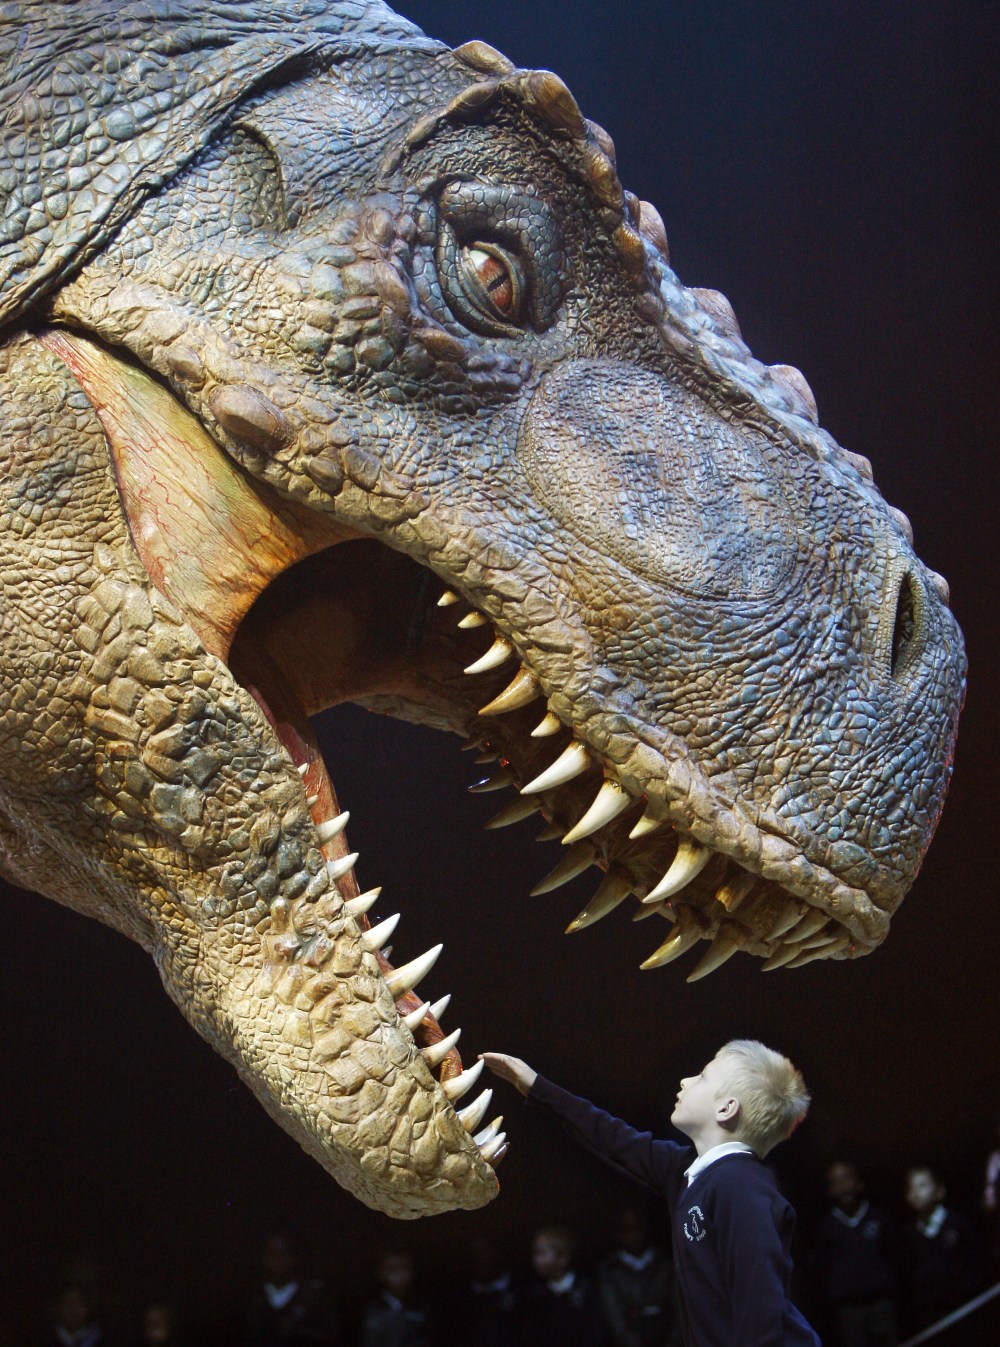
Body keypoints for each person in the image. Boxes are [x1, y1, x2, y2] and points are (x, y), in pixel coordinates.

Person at [481, 1040, 819, 1347]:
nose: (686, 1081)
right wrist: (536, 1086)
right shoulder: (690, 1171)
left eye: (702, 1077)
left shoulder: (741, 1186)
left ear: (727, 1109)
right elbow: (613, 1139)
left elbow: (760, 1306)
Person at [813, 1160, 898, 1347]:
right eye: (836, 1182)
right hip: (848, 1308)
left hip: (881, 1303)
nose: (843, 1186)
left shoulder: (879, 1218)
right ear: (829, 1189)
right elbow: (823, 1266)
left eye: (847, 1179)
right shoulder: (827, 1228)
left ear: (859, 1183)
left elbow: (894, 1256)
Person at [901, 1166, 979, 1333]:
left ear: (939, 1191)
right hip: (928, 1309)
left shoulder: (958, 1225)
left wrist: (967, 1291)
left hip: (961, 1306)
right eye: (910, 1188)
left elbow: (973, 1262)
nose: (915, 1192)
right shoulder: (909, 1233)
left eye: (922, 1186)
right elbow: (908, 1270)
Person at [596, 1204, 677, 1347]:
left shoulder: (665, 1262)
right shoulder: (610, 1270)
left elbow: (679, 1310)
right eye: (626, 1230)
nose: (634, 1236)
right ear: (617, 1233)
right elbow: (616, 1320)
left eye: (638, 1228)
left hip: (667, 1335)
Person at [246, 1232, 340, 1347]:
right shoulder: (253, 1297)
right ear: (263, 1258)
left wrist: (296, 1329)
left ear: (295, 1257)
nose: (279, 1261)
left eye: (284, 1254)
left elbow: (331, 1335)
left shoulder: (314, 1296)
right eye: (272, 1254)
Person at [519, 1224, 607, 1347]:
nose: (535, 1259)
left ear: (563, 1257)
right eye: (535, 1253)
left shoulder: (588, 1288)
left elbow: (597, 1332)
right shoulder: (534, 1295)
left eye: (541, 1253)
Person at [358, 1250, 432, 1347]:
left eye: (405, 1268)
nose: (400, 1275)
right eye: (393, 1269)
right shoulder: (371, 1309)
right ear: (380, 1273)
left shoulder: (423, 1307)